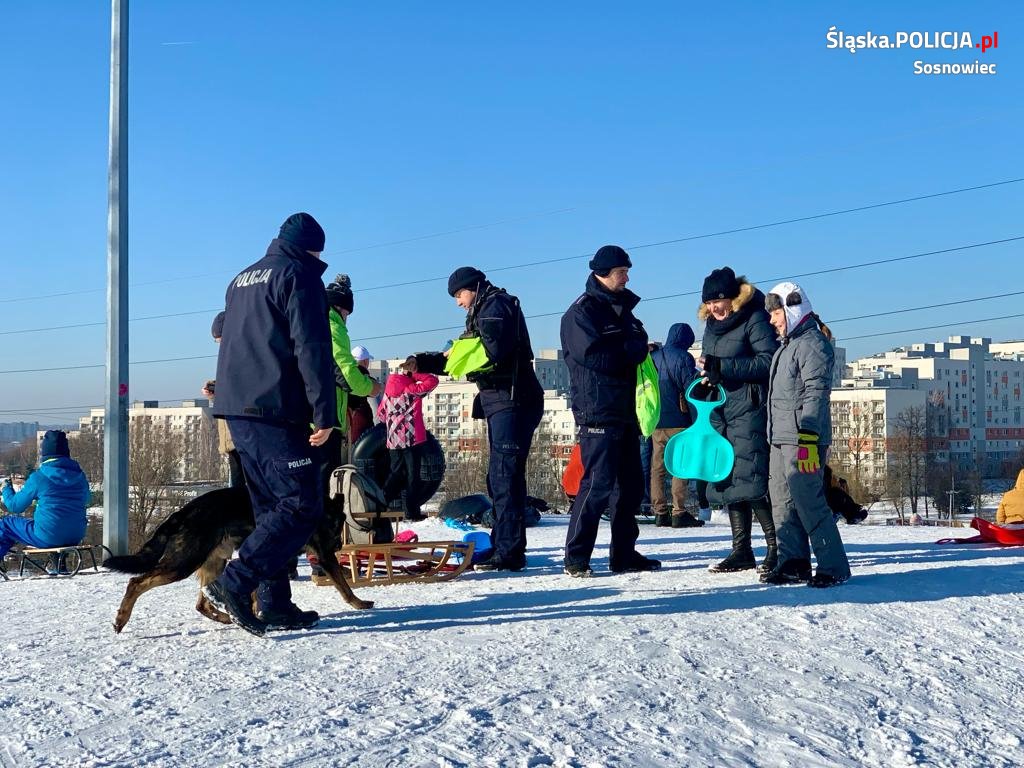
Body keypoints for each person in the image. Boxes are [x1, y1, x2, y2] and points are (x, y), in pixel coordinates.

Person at [205, 211, 338, 636]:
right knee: (301, 504)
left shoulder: (241, 279)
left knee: (269, 508)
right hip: (275, 407)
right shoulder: (298, 276)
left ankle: (276, 603)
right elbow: (312, 347)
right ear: (311, 248)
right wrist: (325, 411)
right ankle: (234, 583)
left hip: (238, 408)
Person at [560, 245, 660, 577]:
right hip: (598, 409)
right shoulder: (581, 313)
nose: (627, 277)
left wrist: (632, 347)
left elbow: (639, 337)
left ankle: (623, 554)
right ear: (604, 273)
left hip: (627, 409)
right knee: (597, 484)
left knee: (630, 487)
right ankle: (576, 557)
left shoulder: (624, 309)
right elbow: (596, 357)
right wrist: (631, 350)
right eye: (622, 272)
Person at [447, 266, 544, 572]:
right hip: (504, 400)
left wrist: (454, 358)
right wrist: (433, 360)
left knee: (505, 477)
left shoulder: (495, 307)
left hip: (511, 400)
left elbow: (491, 352)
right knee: (500, 477)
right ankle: (505, 544)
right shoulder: (488, 306)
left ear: (472, 288)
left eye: (459, 294)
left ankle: (510, 551)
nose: (459, 302)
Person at [761, 281, 851, 588]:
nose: (772, 320)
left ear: (792, 309)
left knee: (808, 501)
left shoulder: (812, 343)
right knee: (782, 502)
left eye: (775, 313)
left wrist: (809, 438)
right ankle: (793, 562)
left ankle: (833, 565)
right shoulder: (787, 346)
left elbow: (816, 393)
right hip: (780, 436)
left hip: (803, 438)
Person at [698, 267, 779, 573]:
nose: (713, 308)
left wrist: (724, 367)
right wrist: (708, 376)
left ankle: (776, 547)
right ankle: (741, 549)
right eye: (708, 303)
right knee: (729, 480)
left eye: (718, 301)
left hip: (749, 409)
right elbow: (717, 364)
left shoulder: (754, 318)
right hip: (721, 411)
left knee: (753, 480)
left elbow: (767, 361)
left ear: (732, 297)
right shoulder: (711, 325)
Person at [1, 431, 89, 571]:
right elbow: (86, 499)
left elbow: (15, 506)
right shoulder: (80, 476)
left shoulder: (39, 477)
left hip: (48, 536)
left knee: (5, 524)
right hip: (76, 535)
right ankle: (58, 564)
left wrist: (6, 489)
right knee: (52, 523)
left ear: (44, 453)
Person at [377, 356, 439, 521]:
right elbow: (433, 381)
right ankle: (412, 512)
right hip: (412, 439)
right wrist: (416, 375)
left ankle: (381, 501)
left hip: (393, 440)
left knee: (396, 473)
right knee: (413, 476)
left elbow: (381, 415)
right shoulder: (412, 390)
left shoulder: (387, 392)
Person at [650, 323, 699, 527]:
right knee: (680, 466)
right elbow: (690, 389)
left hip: (656, 419)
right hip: (680, 420)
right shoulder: (683, 358)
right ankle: (679, 512)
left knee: (658, 467)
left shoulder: (653, 357)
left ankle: (660, 511)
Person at [202, 311, 246, 489]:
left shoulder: (244, 355)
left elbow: (243, 386)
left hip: (241, 436)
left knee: (242, 494)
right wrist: (214, 391)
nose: (219, 345)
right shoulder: (232, 356)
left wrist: (219, 389)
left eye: (220, 340)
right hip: (232, 438)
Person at [348, 345, 377, 445]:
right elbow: (374, 392)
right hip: (362, 422)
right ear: (365, 361)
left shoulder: (346, 374)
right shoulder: (363, 373)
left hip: (348, 422)